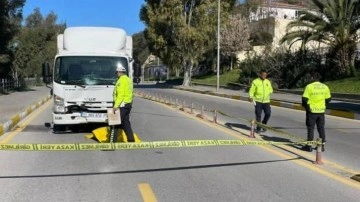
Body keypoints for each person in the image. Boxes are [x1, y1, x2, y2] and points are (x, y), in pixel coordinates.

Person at [301, 78, 331, 152]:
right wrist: (322, 104)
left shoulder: (309, 86)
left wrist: (306, 107)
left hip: (311, 111)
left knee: (310, 129)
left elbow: (304, 99)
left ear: (312, 79)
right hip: (321, 111)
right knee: (321, 128)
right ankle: (321, 146)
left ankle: (309, 146)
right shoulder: (325, 86)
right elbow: (328, 99)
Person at [112, 63, 135, 142]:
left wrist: (115, 106)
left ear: (119, 72)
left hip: (122, 105)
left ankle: (113, 141)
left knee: (115, 122)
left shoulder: (121, 81)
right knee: (126, 123)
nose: (116, 74)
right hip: (128, 104)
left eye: (116, 73)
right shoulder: (128, 80)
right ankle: (131, 139)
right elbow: (132, 93)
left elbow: (120, 95)